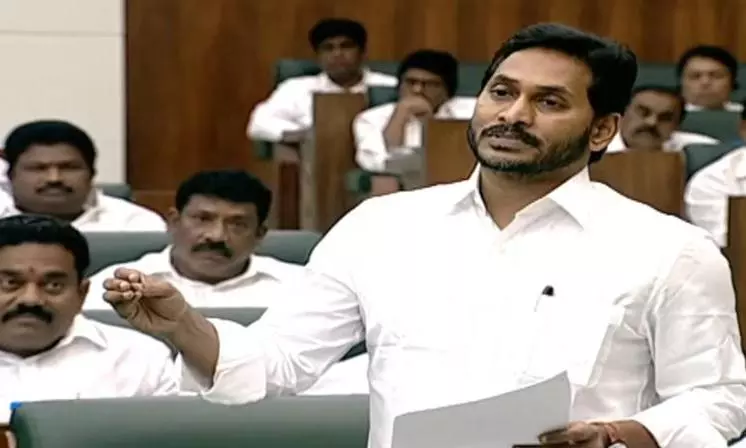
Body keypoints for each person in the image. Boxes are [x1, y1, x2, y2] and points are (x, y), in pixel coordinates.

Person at [103, 23, 746, 448]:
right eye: (501, 92)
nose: (513, 115)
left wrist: (619, 435)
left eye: (549, 102)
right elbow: (279, 362)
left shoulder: (670, 250)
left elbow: (718, 397)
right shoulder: (382, 227)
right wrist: (183, 326)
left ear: (602, 129)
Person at [0, 215, 177, 425]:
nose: (31, 300)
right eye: (10, 283)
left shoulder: (141, 359)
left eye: (54, 285)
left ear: (82, 294)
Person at [247, 18, 397, 145]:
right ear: (318, 56)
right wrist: (303, 135)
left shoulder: (390, 87)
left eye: (346, 46)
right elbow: (258, 123)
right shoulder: (296, 89)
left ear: (363, 52)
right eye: (328, 48)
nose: (337, 54)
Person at [0, 120, 166, 231]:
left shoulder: (136, 224)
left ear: (92, 173)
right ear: (10, 175)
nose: (54, 178)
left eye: (69, 167)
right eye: (38, 168)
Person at [354, 49, 476, 171]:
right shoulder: (370, 118)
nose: (417, 90)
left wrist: (431, 123)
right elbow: (375, 164)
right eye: (410, 82)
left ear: (447, 91)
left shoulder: (472, 111)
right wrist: (400, 115)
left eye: (429, 84)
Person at [607, 85, 717, 152]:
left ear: (677, 125)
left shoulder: (702, 151)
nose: (651, 122)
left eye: (665, 118)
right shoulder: (597, 150)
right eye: (644, 113)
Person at [677, 45, 742, 112]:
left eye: (716, 76)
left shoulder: (742, 114)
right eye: (695, 76)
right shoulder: (672, 116)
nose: (705, 82)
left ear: (732, 82)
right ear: (681, 82)